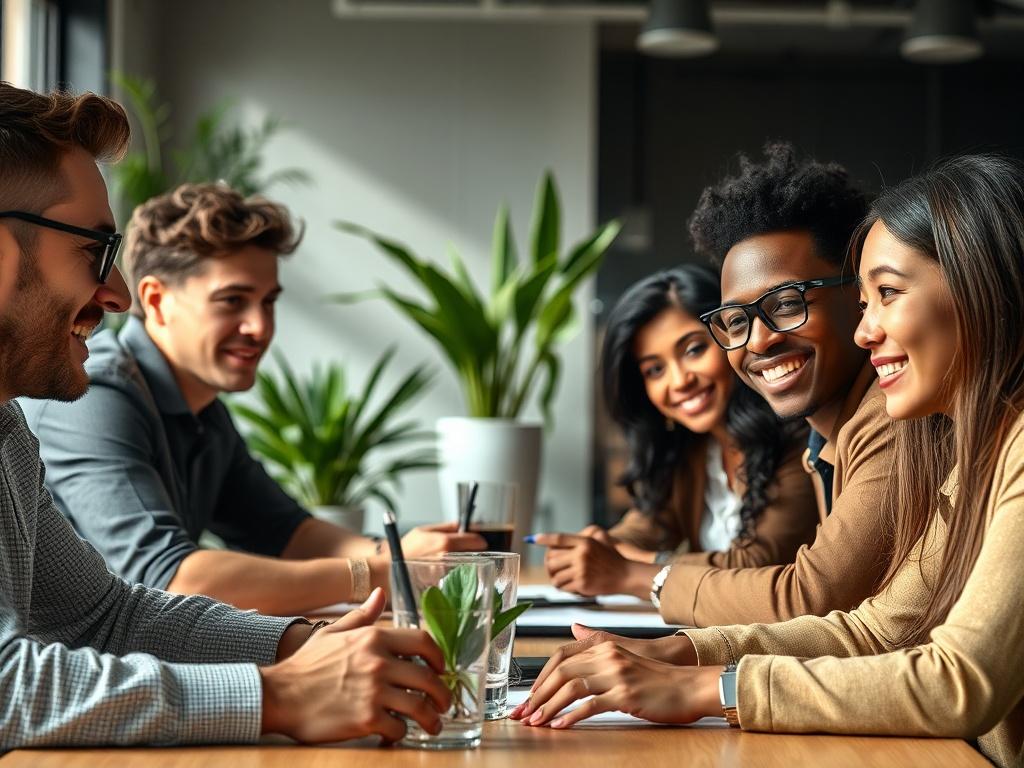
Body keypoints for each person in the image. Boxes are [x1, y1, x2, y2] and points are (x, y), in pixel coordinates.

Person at [511, 153, 1024, 768]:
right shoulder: (981, 450)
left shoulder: (920, 433)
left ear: (983, 288)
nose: (867, 331)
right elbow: (873, 631)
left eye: (885, 293)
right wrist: (683, 654)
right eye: (868, 300)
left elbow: (955, 682)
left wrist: (709, 684)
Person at [0, 81, 448, 749]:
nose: (115, 293)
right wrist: (282, 692)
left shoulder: (7, 430)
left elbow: (105, 617)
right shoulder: (100, 396)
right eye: (95, 253)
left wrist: (309, 645)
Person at [21, 182, 483, 615]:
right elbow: (170, 579)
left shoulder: (201, 406)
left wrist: (402, 554)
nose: (260, 328)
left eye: (267, 301)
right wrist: (380, 572)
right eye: (232, 301)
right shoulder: (97, 394)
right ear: (156, 301)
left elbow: (287, 531)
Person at [634, 143, 897, 626]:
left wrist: (654, 583)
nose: (758, 341)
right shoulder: (824, 441)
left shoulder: (888, 417)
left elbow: (810, 597)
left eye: (786, 303)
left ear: (860, 297)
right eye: (735, 320)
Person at [534, 265, 818, 600]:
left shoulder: (800, 437)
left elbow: (756, 565)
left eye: (694, 349)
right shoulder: (692, 450)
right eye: (655, 370)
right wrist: (597, 546)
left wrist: (635, 566)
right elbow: (643, 527)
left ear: (732, 335)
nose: (679, 381)